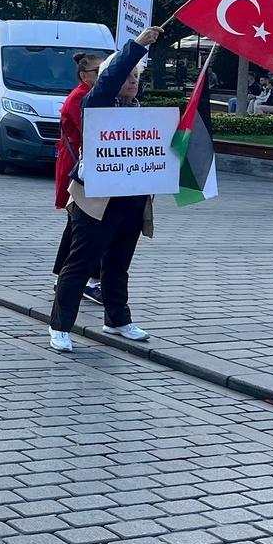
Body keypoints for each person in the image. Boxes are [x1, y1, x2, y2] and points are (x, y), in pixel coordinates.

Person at [49, 26, 164, 353]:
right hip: (95, 199)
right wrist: (138, 45)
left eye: (137, 77)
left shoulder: (142, 114)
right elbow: (109, 79)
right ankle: (60, 325)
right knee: (81, 262)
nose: (132, 81)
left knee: (118, 264)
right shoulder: (96, 103)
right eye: (127, 76)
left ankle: (117, 319)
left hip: (132, 199)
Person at [54, 53, 105, 305]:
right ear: (84, 75)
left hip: (83, 164)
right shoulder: (80, 97)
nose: (101, 75)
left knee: (78, 224)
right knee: (83, 224)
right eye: (97, 72)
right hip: (78, 166)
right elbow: (91, 130)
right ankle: (86, 280)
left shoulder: (89, 94)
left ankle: (65, 276)